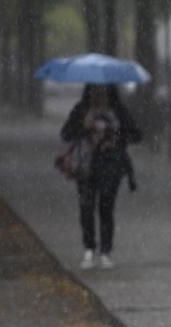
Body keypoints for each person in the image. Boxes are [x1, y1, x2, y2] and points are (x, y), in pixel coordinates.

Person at [60, 84, 141, 270]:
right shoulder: (81, 110)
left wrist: (117, 137)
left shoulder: (118, 111)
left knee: (106, 208)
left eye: (103, 90)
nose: (99, 94)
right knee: (86, 208)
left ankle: (106, 251)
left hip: (111, 166)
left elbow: (136, 135)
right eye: (95, 90)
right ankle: (89, 248)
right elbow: (66, 134)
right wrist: (83, 126)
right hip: (86, 166)